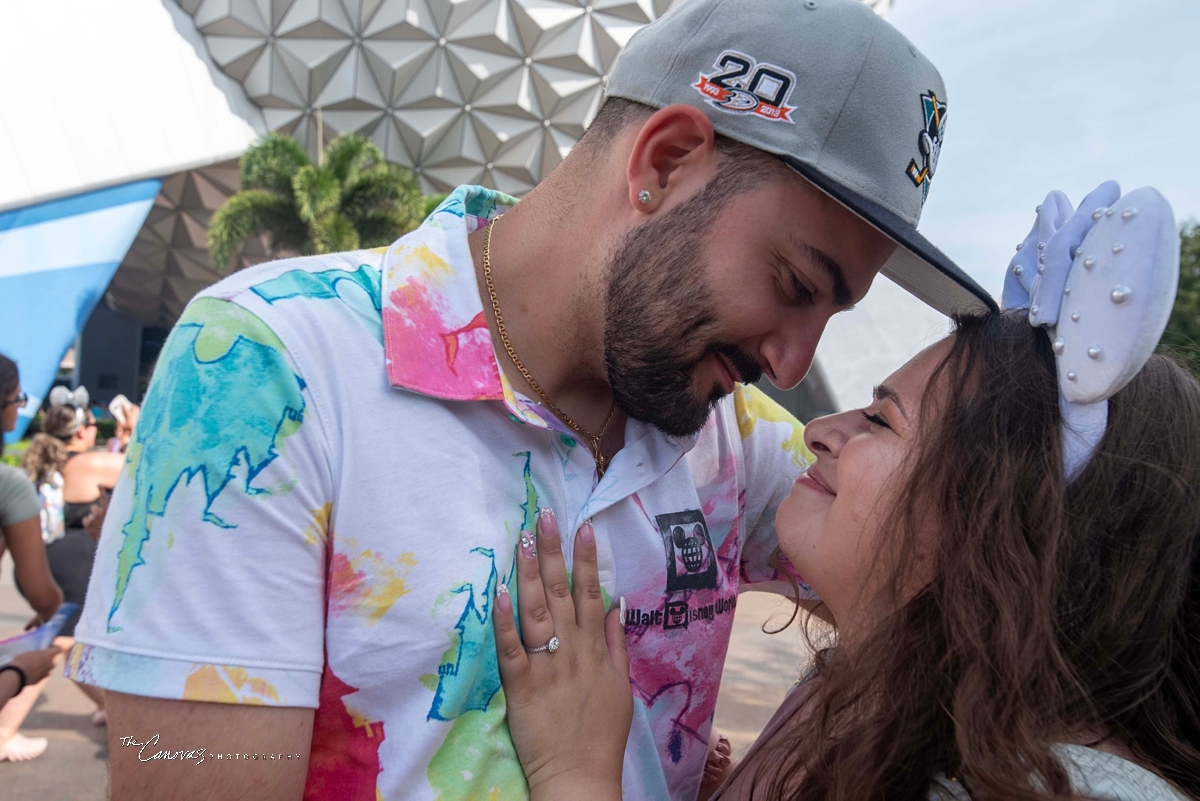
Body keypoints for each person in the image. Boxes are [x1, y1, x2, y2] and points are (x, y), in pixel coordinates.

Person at [72, 1, 994, 798]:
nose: (795, 365)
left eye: (834, 313)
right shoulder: (272, 369)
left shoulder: (737, 447)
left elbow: (987, 590)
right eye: (795, 282)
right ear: (665, 161)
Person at [492, 185, 1200, 799]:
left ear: (1000, 525)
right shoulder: (871, 701)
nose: (821, 429)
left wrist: (577, 775)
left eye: (880, 420)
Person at [21, 394, 116, 723]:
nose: (95, 430)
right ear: (79, 432)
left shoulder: (44, 463)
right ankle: (4, 729)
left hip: (40, 563)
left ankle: (107, 705)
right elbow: (147, 469)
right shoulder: (88, 463)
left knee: (72, 643)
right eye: (92, 423)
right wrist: (131, 430)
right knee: (59, 641)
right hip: (71, 566)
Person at [0, 354, 65, 761]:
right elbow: (44, 597)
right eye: (16, 397)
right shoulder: (9, 485)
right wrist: (20, 672)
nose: (19, 406)